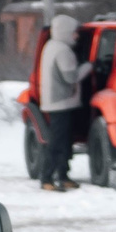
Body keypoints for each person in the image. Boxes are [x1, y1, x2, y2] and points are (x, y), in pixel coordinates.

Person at [36, 13, 87, 192]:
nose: (76, 36)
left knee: (64, 142)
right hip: (61, 103)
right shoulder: (63, 50)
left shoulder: (50, 46)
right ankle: (47, 177)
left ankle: (63, 176)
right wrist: (89, 66)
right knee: (58, 142)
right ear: (65, 32)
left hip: (55, 102)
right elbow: (71, 76)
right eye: (74, 33)